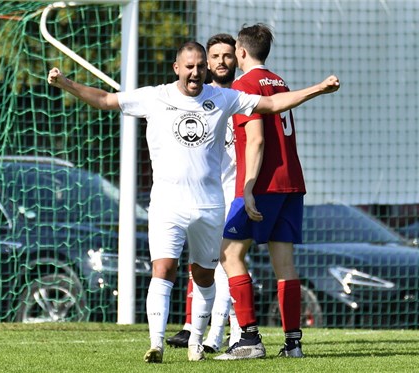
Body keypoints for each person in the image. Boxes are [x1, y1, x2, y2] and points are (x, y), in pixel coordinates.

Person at [47, 41, 339, 363]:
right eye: (190, 66)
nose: (196, 72)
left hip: (209, 206)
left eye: (201, 66)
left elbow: (270, 105)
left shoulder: (222, 97)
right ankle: (155, 344)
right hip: (167, 204)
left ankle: (196, 343)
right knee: (164, 268)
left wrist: (318, 90)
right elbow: (104, 99)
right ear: (177, 68)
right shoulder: (155, 97)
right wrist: (65, 83)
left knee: (203, 275)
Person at [215, 23, 309, 360]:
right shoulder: (278, 81)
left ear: (241, 52)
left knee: (229, 254)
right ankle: (293, 344)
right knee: (285, 264)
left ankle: (250, 339)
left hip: (264, 183)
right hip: (291, 183)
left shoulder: (244, 85)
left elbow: (255, 139)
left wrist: (248, 188)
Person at [166, 33, 241, 353]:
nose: (221, 62)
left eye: (227, 56)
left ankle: (227, 330)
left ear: (237, 58)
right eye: (215, 57)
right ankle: (199, 326)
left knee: (229, 260)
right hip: (205, 194)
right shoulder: (194, 99)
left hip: (235, 192)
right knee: (204, 263)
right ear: (206, 62)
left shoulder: (241, 96)